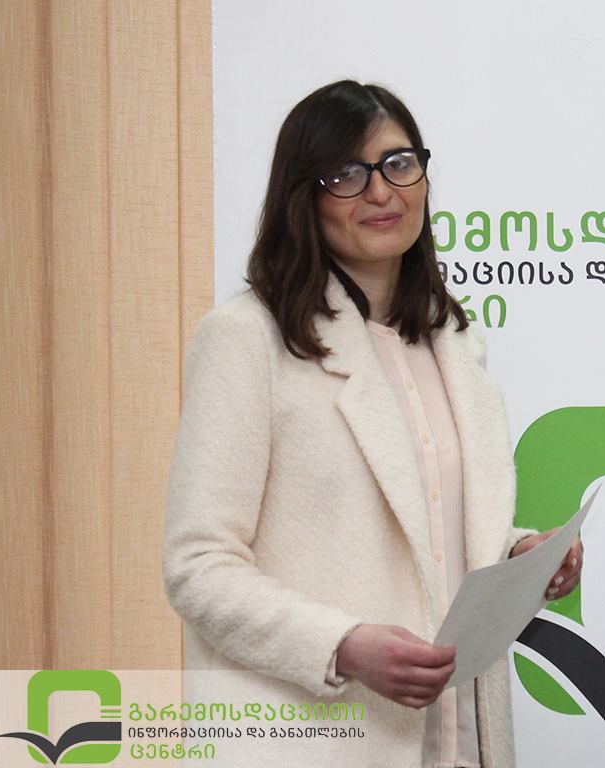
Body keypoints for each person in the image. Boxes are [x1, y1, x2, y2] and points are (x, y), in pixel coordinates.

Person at [162, 80, 582, 768]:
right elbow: (197, 565)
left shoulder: (454, 343)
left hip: (460, 736)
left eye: (398, 164)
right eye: (346, 174)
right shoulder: (247, 338)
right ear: (304, 196)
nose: (381, 192)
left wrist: (517, 556)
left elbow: (426, 530)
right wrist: (342, 645)